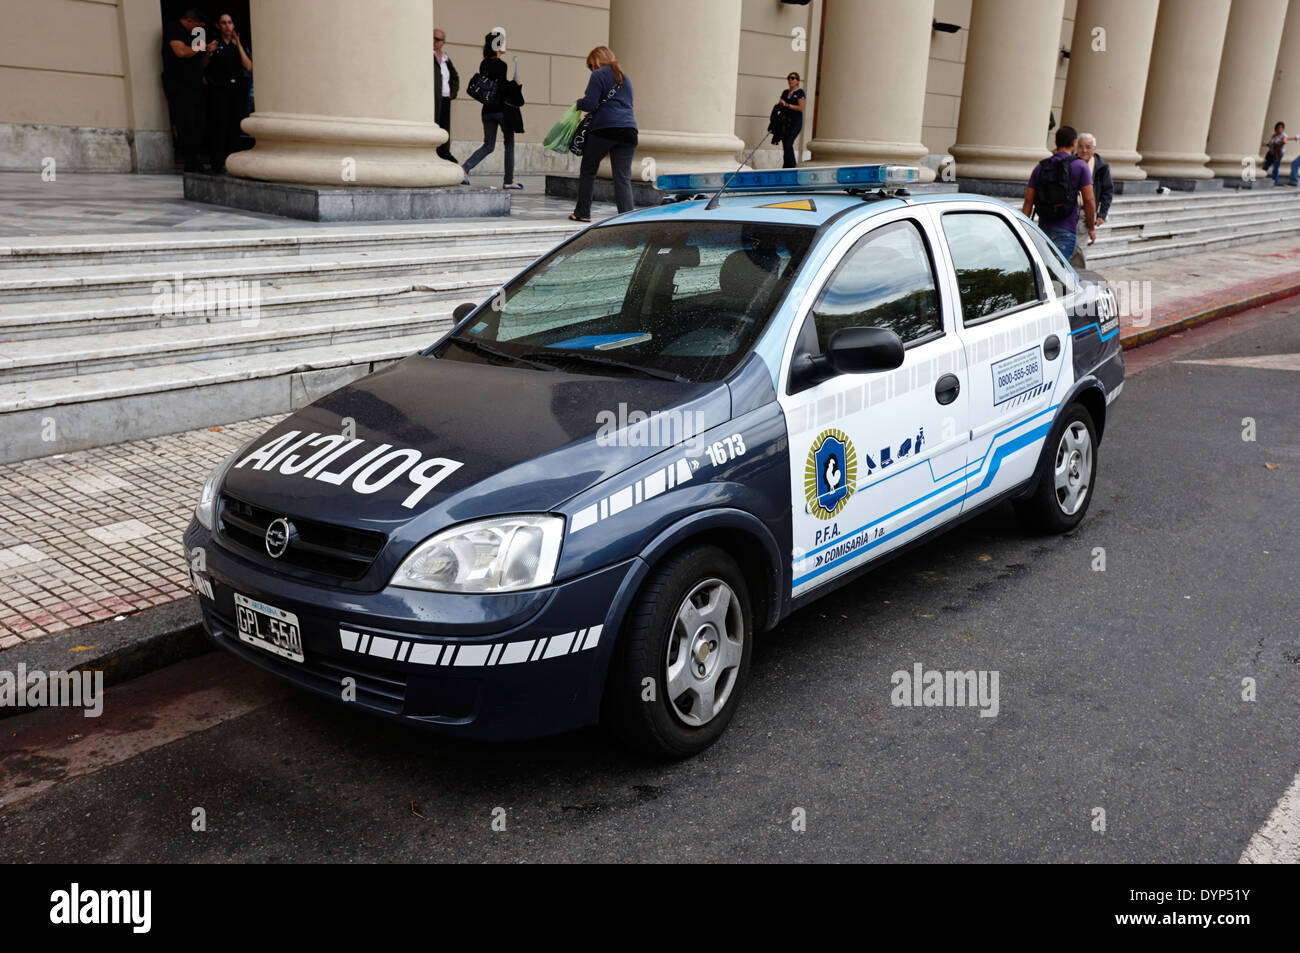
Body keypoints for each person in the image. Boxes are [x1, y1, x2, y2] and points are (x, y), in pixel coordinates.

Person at [571, 46, 637, 222]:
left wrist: (579, 103)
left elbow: (591, 104)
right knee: (622, 178)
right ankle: (627, 218)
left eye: (591, 65)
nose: (591, 69)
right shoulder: (625, 78)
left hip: (605, 128)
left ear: (597, 62)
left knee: (588, 170)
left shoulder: (598, 75)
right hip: (629, 131)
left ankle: (582, 213)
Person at [461, 30, 524, 190]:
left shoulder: (484, 63)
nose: (505, 45)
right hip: (502, 110)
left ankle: (464, 169)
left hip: (487, 110)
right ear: (497, 45)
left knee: (488, 145)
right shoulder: (501, 65)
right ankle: (508, 180)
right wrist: (515, 84)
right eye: (503, 42)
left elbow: (490, 86)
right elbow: (501, 88)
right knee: (509, 143)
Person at [1022, 124, 1096, 260]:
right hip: (1066, 229)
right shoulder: (1080, 166)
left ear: (1055, 142)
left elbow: (1028, 200)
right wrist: (1091, 228)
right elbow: (1089, 200)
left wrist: (1023, 228)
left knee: (1044, 271)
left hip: (1043, 227)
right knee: (1059, 275)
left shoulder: (1041, 167)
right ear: (1074, 143)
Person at [162, 8, 216, 172]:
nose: (199, 29)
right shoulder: (174, 28)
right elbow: (180, 51)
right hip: (179, 82)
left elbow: (202, 63)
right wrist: (200, 48)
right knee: (186, 121)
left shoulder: (198, 33)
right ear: (189, 21)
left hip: (196, 83)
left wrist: (207, 51)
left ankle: (196, 159)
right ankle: (190, 160)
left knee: (200, 122)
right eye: (198, 25)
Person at [204, 13, 252, 174]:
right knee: (219, 127)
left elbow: (248, 66)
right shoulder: (214, 43)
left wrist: (238, 45)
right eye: (223, 23)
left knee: (234, 126)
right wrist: (208, 52)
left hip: (237, 91)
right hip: (218, 91)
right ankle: (217, 163)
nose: (227, 26)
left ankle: (233, 162)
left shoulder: (240, 44)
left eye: (230, 22)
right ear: (218, 25)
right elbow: (203, 65)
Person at [1071, 133, 1111, 267]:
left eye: (1088, 147)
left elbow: (1107, 192)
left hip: (1086, 211)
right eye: (1081, 147)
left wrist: (1102, 214)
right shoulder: (1070, 163)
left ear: (1094, 149)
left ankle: (1077, 277)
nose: (1084, 150)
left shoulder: (1102, 167)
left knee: (1078, 247)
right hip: (1068, 210)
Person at [433, 27, 459, 163]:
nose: (433, 41)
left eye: (437, 39)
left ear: (443, 42)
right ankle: (436, 154)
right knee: (435, 125)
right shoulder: (428, 56)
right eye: (432, 38)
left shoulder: (446, 58)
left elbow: (455, 77)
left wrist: (452, 93)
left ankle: (444, 154)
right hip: (433, 99)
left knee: (444, 128)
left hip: (445, 98)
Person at [774, 72, 805, 168]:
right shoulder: (785, 92)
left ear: (797, 81)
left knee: (788, 143)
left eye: (793, 78)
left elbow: (800, 108)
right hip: (785, 122)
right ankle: (786, 165)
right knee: (785, 143)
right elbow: (781, 105)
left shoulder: (800, 92)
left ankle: (792, 166)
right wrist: (780, 104)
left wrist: (788, 105)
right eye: (789, 78)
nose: (790, 80)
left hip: (796, 122)